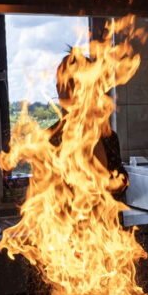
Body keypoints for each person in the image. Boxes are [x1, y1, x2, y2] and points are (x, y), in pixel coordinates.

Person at [49, 52, 128, 200]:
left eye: (77, 83)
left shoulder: (108, 137)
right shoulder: (49, 140)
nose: (72, 90)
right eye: (66, 83)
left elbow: (120, 183)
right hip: (66, 222)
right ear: (59, 89)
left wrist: (115, 184)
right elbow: (45, 198)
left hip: (105, 221)